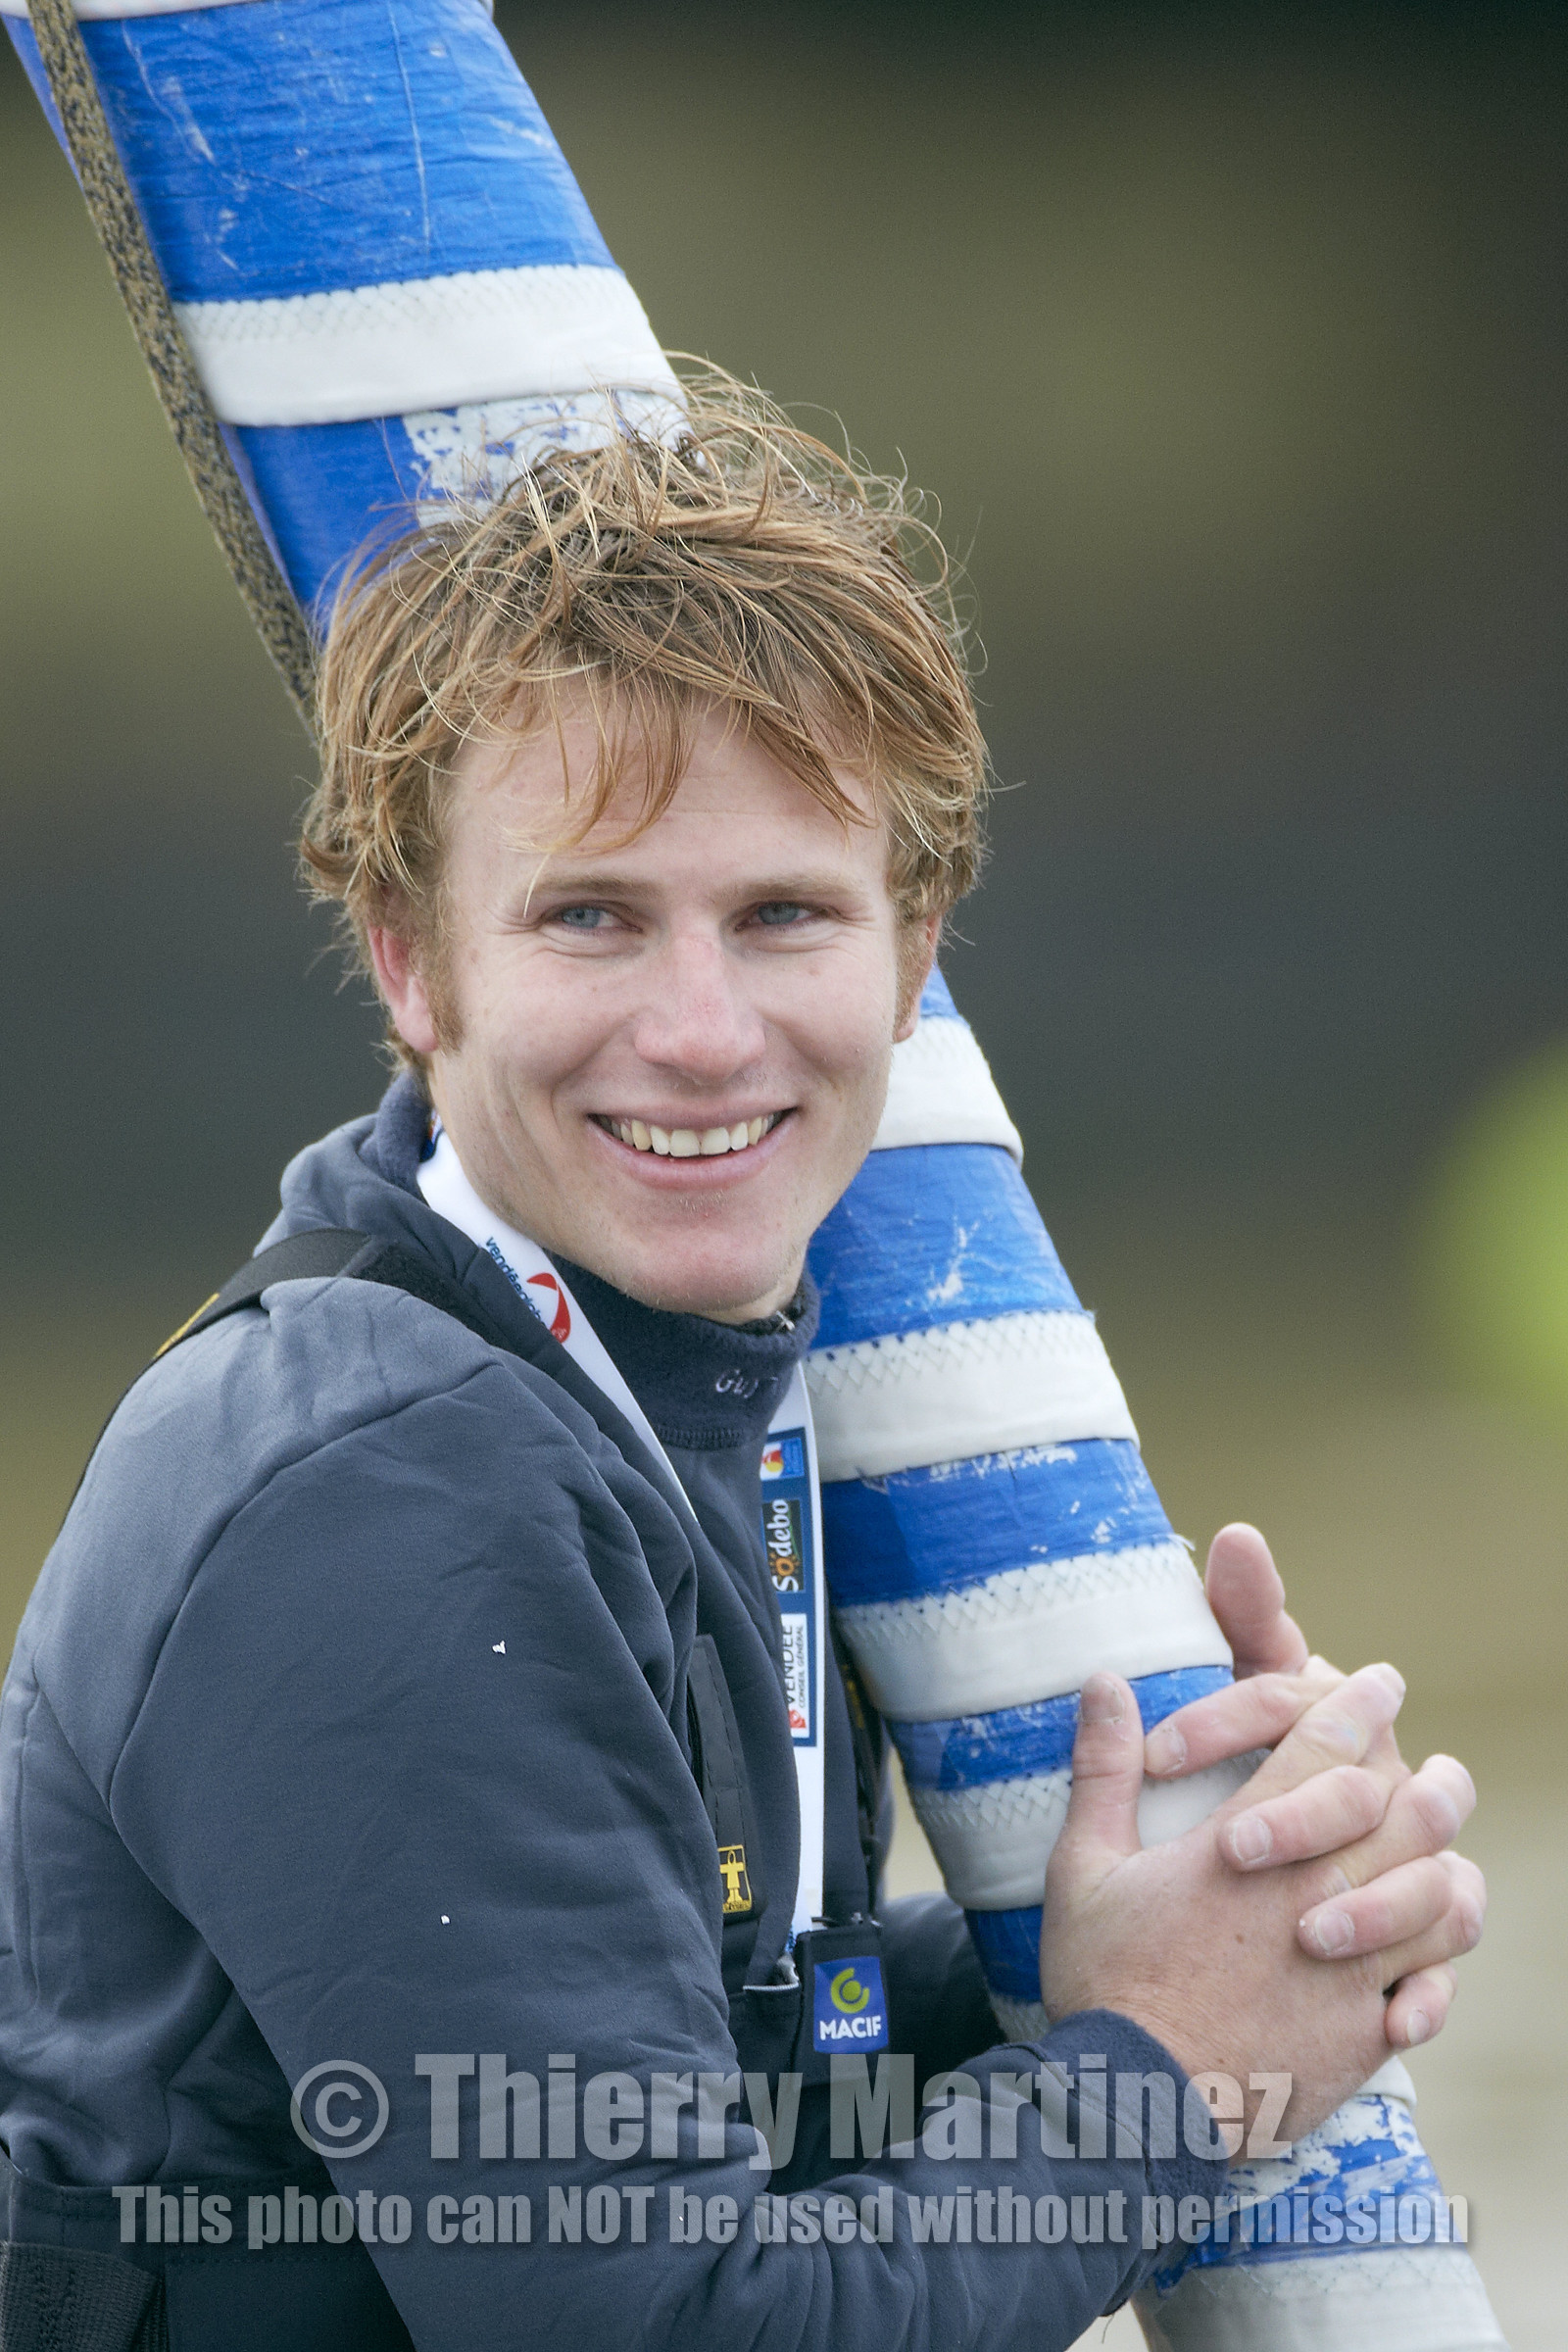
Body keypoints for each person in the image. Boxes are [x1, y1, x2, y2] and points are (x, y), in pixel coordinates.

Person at [0, 380, 1483, 2352]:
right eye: (592, 918)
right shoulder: (377, 1503)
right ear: (411, 958)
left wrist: (1185, 1912)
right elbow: (664, 2320)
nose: (700, 1035)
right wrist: (1166, 2074)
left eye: (782, 915)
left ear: (909, 941)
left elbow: (672, 2040)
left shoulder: (667, 1373)